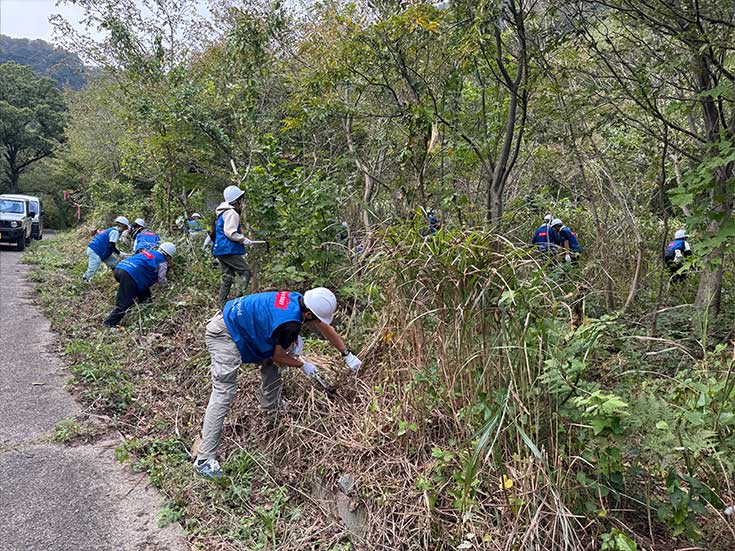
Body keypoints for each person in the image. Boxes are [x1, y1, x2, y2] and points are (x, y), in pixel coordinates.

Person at [193, 287, 363, 478]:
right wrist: (302, 364)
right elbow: (278, 355)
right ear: (307, 314)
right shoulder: (289, 323)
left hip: (243, 325)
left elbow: (324, 326)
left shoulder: (299, 300)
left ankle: (272, 409)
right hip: (224, 333)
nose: (315, 324)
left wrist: (346, 354)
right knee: (224, 392)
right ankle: (204, 459)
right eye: (314, 319)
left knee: (271, 361)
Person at [103, 242, 176, 326]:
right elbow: (161, 278)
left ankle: (144, 312)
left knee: (145, 295)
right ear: (168, 256)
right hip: (129, 274)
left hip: (120, 268)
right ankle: (108, 324)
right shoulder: (162, 262)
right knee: (124, 304)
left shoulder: (149, 252)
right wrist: (166, 287)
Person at [212, 186, 257, 307]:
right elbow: (230, 232)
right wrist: (243, 239)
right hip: (228, 250)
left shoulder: (223, 212)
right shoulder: (232, 213)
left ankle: (221, 303)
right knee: (246, 272)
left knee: (228, 277)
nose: (242, 203)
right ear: (236, 201)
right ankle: (239, 301)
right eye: (241, 200)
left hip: (219, 249)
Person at [82, 216, 130, 281]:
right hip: (95, 250)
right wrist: (120, 253)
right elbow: (111, 246)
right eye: (125, 227)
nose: (125, 229)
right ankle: (84, 280)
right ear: (122, 226)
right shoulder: (115, 232)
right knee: (93, 267)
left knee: (115, 263)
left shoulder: (112, 230)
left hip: (102, 251)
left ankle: (118, 278)